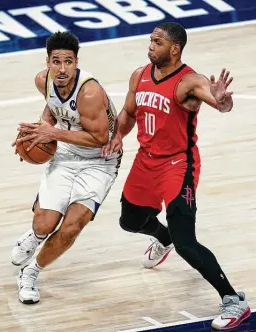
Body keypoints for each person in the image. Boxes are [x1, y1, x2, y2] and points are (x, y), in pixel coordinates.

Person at [102, 22, 250, 330]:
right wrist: (117, 135)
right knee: (129, 220)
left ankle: (233, 299)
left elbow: (220, 103)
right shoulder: (139, 75)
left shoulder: (189, 82)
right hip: (145, 161)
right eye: (150, 40)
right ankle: (163, 238)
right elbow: (129, 113)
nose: (150, 46)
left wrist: (223, 100)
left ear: (174, 49)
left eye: (157, 42)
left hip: (177, 166)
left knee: (187, 242)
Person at [11, 31, 122, 305]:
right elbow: (52, 105)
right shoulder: (43, 81)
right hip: (67, 149)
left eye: (68, 62)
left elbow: (99, 138)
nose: (62, 69)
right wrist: (39, 129)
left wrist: (53, 135)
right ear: (47, 62)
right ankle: (35, 234)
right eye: (56, 61)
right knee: (45, 223)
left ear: (77, 62)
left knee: (72, 227)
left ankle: (31, 272)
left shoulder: (90, 93)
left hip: (100, 158)